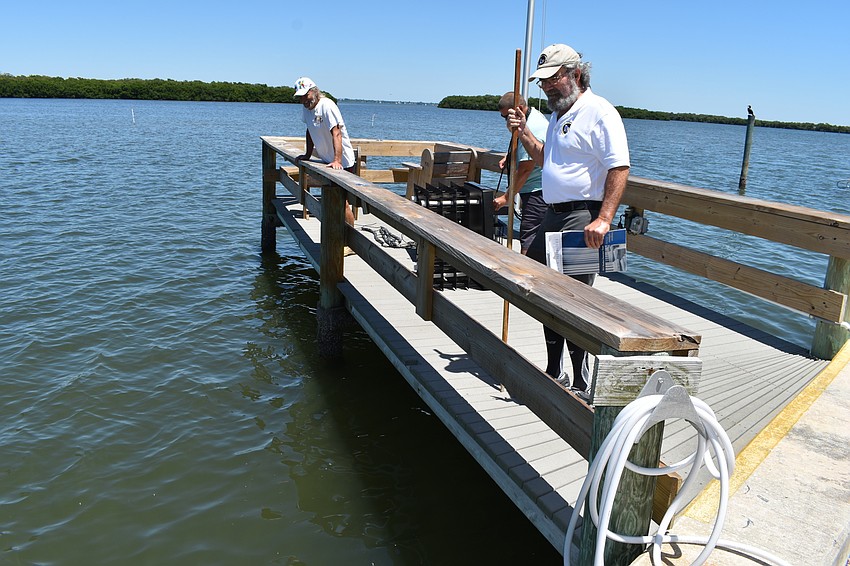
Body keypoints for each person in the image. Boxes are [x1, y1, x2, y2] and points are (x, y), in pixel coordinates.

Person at [507, 44, 630, 393]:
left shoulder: (600, 112)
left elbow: (619, 166)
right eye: (542, 82)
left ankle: (580, 377)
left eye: (552, 79)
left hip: (583, 216)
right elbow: (548, 159)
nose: (546, 87)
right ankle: (553, 368)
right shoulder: (561, 113)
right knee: (544, 291)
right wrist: (524, 134)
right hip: (553, 213)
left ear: (575, 74)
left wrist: (605, 218)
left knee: (574, 299)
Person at [293, 76, 356, 226]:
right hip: (326, 161)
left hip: (343, 162)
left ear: (314, 91)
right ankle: (336, 236)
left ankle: (350, 240)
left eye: (305, 95)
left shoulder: (327, 105)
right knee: (331, 201)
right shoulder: (306, 109)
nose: (303, 100)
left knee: (343, 203)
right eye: (300, 97)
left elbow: (337, 133)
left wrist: (337, 160)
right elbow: (309, 130)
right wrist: (307, 155)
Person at [493, 92, 549, 255]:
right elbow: (523, 151)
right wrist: (510, 156)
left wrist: (506, 198)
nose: (505, 121)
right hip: (535, 190)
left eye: (506, 117)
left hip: (536, 194)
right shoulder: (534, 115)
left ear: (519, 109)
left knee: (529, 240)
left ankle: (525, 276)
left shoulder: (533, 127)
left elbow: (525, 169)